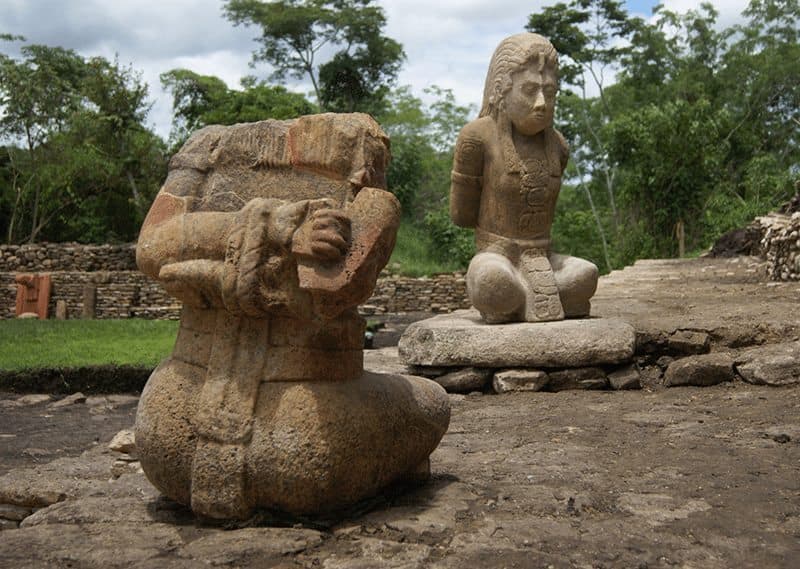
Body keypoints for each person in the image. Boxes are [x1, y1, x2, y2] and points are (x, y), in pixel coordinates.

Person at [450, 33, 598, 323]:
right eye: (529, 90)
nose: (542, 103)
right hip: (497, 256)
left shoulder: (558, 145)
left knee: (587, 274)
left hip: (544, 258)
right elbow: (461, 215)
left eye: (549, 92)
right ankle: (518, 297)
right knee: (492, 282)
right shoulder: (477, 137)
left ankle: (521, 298)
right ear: (501, 90)